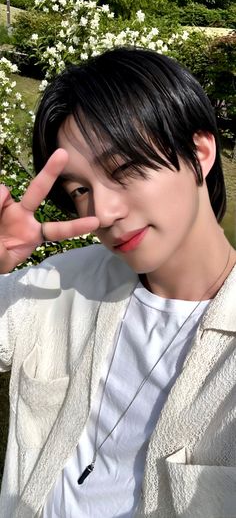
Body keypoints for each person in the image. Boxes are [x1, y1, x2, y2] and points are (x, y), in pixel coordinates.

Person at [0, 47, 235, 518]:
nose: (102, 213)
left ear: (200, 153)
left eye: (124, 167)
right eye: (79, 189)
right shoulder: (66, 284)